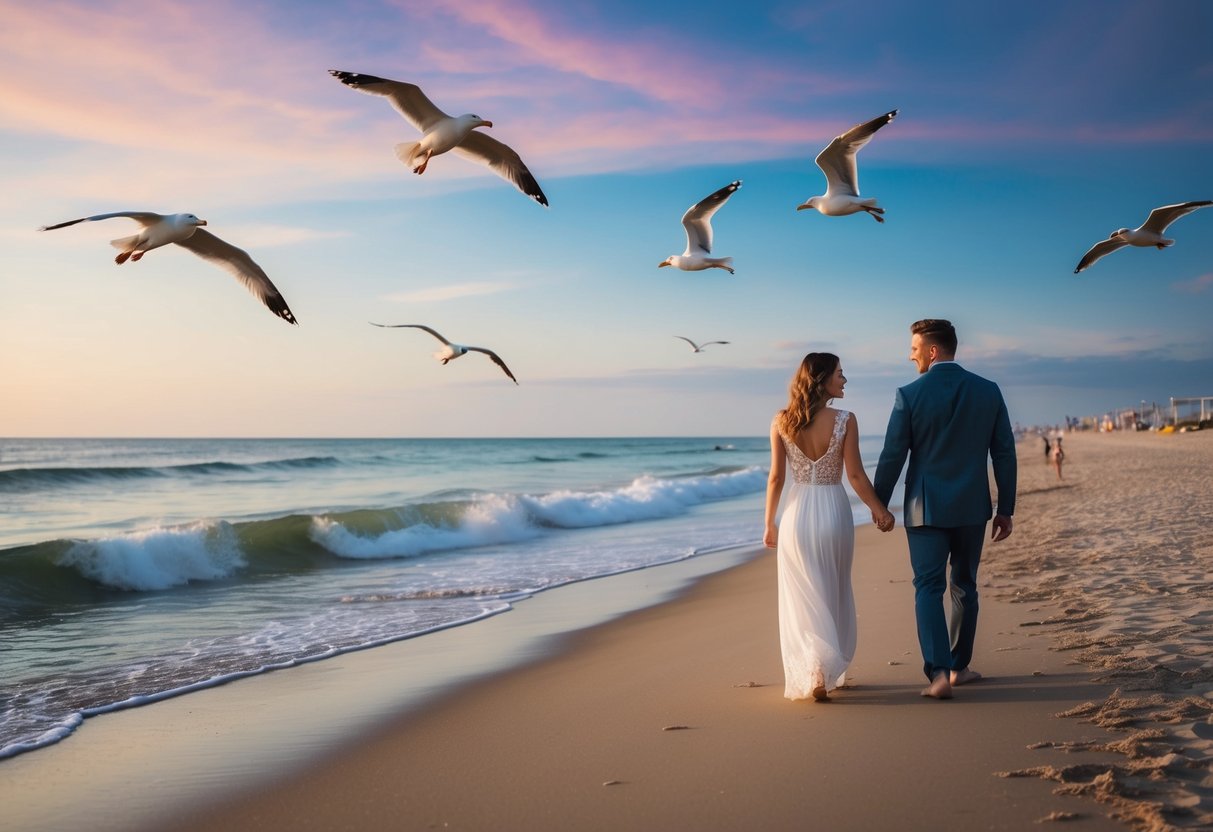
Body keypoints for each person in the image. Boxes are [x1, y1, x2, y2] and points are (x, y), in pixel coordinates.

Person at [874, 320, 1017, 700]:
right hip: (972, 505)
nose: (911, 355)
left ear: (932, 350)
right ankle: (958, 668)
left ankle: (937, 674)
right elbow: (1004, 452)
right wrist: (1006, 508)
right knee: (964, 585)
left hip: (925, 509)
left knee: (928, 586)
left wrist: (878, 503)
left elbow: (892, 455)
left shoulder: (909, 394)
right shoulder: (988, 390)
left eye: (914, 348)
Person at [764, 353, 895, 702]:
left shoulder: (781, 421)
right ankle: (825, 668)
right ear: (822, 380)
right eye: (839, 373)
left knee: (803, 595)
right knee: (832, 587)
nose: (844, 380)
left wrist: (769, 523)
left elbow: (776, 478)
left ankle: (816, 671)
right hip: (834, 512)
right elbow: (855, 475)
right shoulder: (845, 420)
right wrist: (879, 511)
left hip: (796, 516)